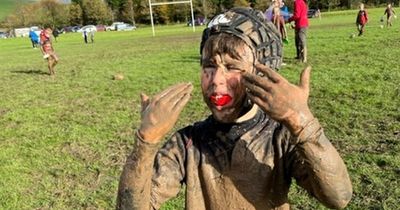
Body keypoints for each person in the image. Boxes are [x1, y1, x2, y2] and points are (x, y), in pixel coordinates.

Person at [117, 7, 352, 210]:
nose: (217, 80)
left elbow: (338, 197)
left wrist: (302, 123)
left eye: (232, 66)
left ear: (260, 73)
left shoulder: (280, 137)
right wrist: (145, 143)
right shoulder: (188, 144)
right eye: (209, 65)